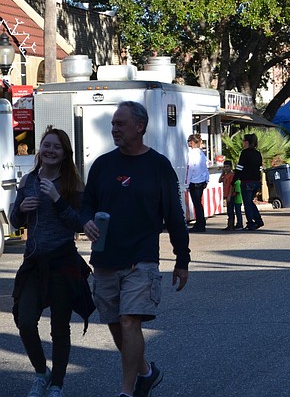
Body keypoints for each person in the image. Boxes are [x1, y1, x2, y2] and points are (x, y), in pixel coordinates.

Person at [81, 101, 190, 397]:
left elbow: (174, 215)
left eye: (120, 123)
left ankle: (126, 392)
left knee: (130, 321)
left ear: (140, 126)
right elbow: (86, 202)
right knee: (117, 325)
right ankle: (146, 372)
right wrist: (86, 220)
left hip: (141, 260)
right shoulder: (103, 165)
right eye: (113, 124)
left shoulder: (158, 166)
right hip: (105, 259)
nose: (114, 128)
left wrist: (183, 259)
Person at [10, 128, 93, 397]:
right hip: (34, 262)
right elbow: (15, 221)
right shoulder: (29, 181)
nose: (50, 150)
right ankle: (40, 372)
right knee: (24, 321)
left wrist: (57, 200)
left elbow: (79, 224)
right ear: (40, 150)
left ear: (65, 153)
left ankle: (56, 383)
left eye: (56, 147)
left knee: (59, 327)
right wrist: (21, 210)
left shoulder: (72, 185)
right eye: (46, 145)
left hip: (62, 261)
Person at [234, 133, 265, 230]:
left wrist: (234, 180)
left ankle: (250, 223)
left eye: (243, 141)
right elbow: (260, 168)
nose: (242, 143)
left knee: (247, 203)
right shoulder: (257, 153)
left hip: (246, 181)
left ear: (247, 142)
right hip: (256, 181)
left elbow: (239, 168)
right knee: (250, 202)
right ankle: (258, 220)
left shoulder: (245, 153)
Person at [186, 134, 209, 233]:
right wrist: (206, 179)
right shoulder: (201, 153)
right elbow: (205, 167)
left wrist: (186, 183)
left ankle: (199, 224)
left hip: (194, 182)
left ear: (192, 142)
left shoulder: (191, 154)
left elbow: (189, 168)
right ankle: (201, 223)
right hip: (201, 181)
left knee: (197, 204)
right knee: (199, 204)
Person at [220, 160, 244, 231]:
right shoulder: (225, 175)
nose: (225, 168)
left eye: (227, 167)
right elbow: (220, 180)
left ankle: (231, 225)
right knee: (229, 210)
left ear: (230, 167)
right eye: (224, 167)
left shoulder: (232, 175)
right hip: (226, 194)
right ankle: (230, 225)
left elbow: (232, 186)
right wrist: (222, 173)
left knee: (231, 210)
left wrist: (230, 195)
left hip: (230, 194)